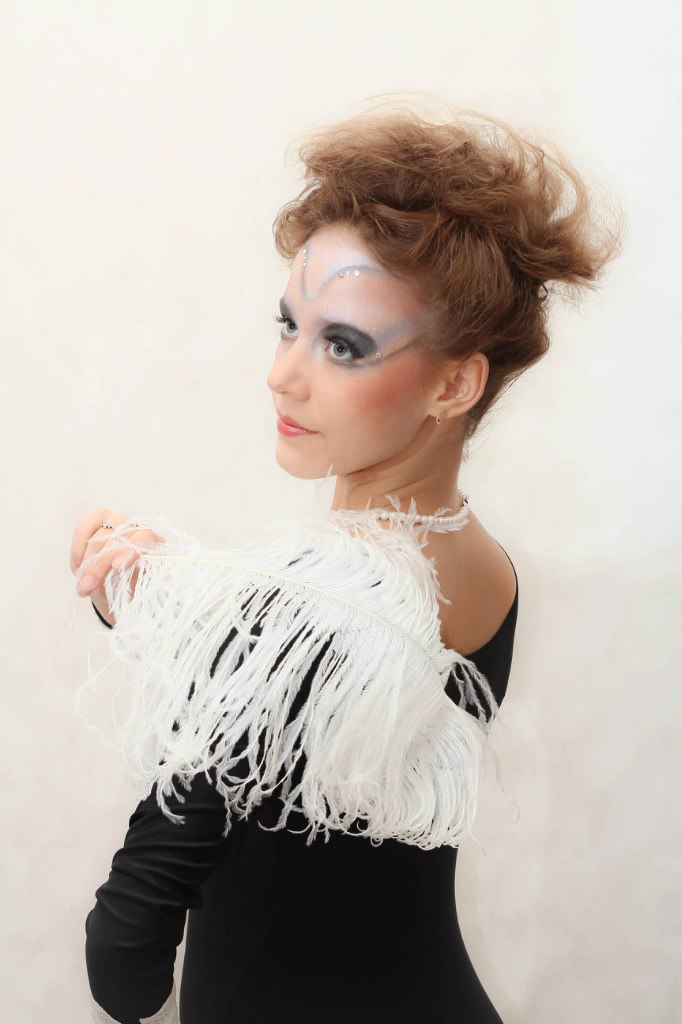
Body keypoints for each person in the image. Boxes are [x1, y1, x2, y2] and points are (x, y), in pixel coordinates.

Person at [71, 102, 620, 1023]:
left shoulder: (306, 612)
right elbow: (320, 717)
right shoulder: (481, 564)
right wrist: (166, 607)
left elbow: (122, 966)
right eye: (288, 325)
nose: (283, 375)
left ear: (456, 382)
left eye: (342, 345)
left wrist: (210, 652)